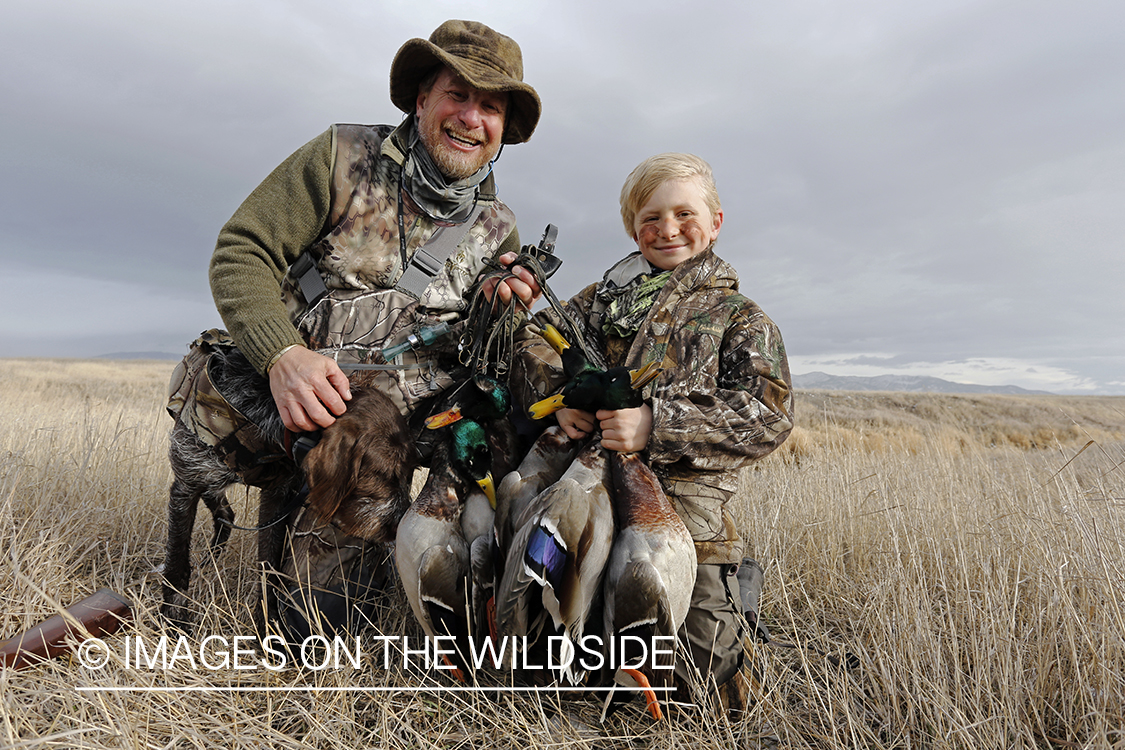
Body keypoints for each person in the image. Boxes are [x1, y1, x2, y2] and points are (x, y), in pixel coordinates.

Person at [204, 19, 544, 639]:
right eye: (457, 95)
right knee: (368, 437)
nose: (472, 117)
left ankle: (492, 633)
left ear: (502, 132)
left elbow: (486, 346)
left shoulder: (499, 228)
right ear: (422, 100)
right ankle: (315, 641)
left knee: (524, 441)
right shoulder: (342, 158)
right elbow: (240, 250)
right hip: (322, 387)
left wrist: (500, 309)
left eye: (490, 106)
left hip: (431, 401)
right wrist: (281, 354)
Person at [511, 153, 794, 709]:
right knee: (546, 650)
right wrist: (558, 400)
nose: (667, 229)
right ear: (631, 228)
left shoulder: (738, 317)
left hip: (687, 516)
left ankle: (737, 604)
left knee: (704, 693)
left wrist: (655, 424)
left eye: (684, 213)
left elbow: (769, 414)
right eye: (650, 218)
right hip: (586, 497)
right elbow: (533, 343)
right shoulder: (594, 303)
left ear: (715, 221)